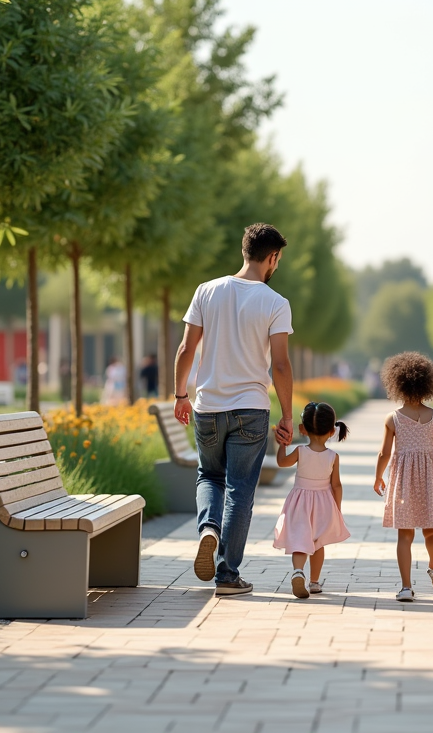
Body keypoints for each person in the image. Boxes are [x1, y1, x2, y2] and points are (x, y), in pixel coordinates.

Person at [174, 223, 294, 597]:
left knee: (209, 476)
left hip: (208, 406)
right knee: (240, 489)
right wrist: (288, 417)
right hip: (251, 410)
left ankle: (208, 529)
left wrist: (180, 396)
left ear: (244, 251)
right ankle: (227, 575)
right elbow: (281, 366)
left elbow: (186, 350)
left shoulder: (206, 291)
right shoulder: (275, 303)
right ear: (272, 257)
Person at [373, 351, 433, 603]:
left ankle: (406, 587)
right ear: (428, 385)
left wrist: (378, 477)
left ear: (397, 386)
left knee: (404, 535)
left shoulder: (392, 419)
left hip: (403, 480)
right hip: (430, 479)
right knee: (430, 529)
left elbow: (384, 453)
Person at [273, 401, 351, 598]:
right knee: (318, 543)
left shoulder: (300, 451)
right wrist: (337, 508)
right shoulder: (333, 456)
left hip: (300, 502)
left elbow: (282, 463)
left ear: (303, 429)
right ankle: (314, 582)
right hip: (323, 504)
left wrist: (282, 444)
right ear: (332, 432)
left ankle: (298, 572)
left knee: (300, 541)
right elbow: (336, 485)